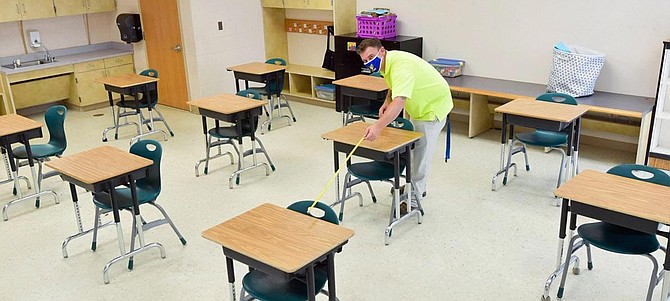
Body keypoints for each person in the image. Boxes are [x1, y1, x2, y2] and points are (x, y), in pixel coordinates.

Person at [356, 38, 453, 210]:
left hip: (432, 108)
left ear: (382, 51)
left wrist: (378, 127)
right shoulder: (388, 63)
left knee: (421, 156)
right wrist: (387, 101)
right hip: (419, 106)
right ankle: (411, 186)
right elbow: (393, 86)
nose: (369, 62)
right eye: (365, 60)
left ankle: (414, 199)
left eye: (371, 56)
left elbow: (400, 101)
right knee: (413, 151)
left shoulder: (400, 66)